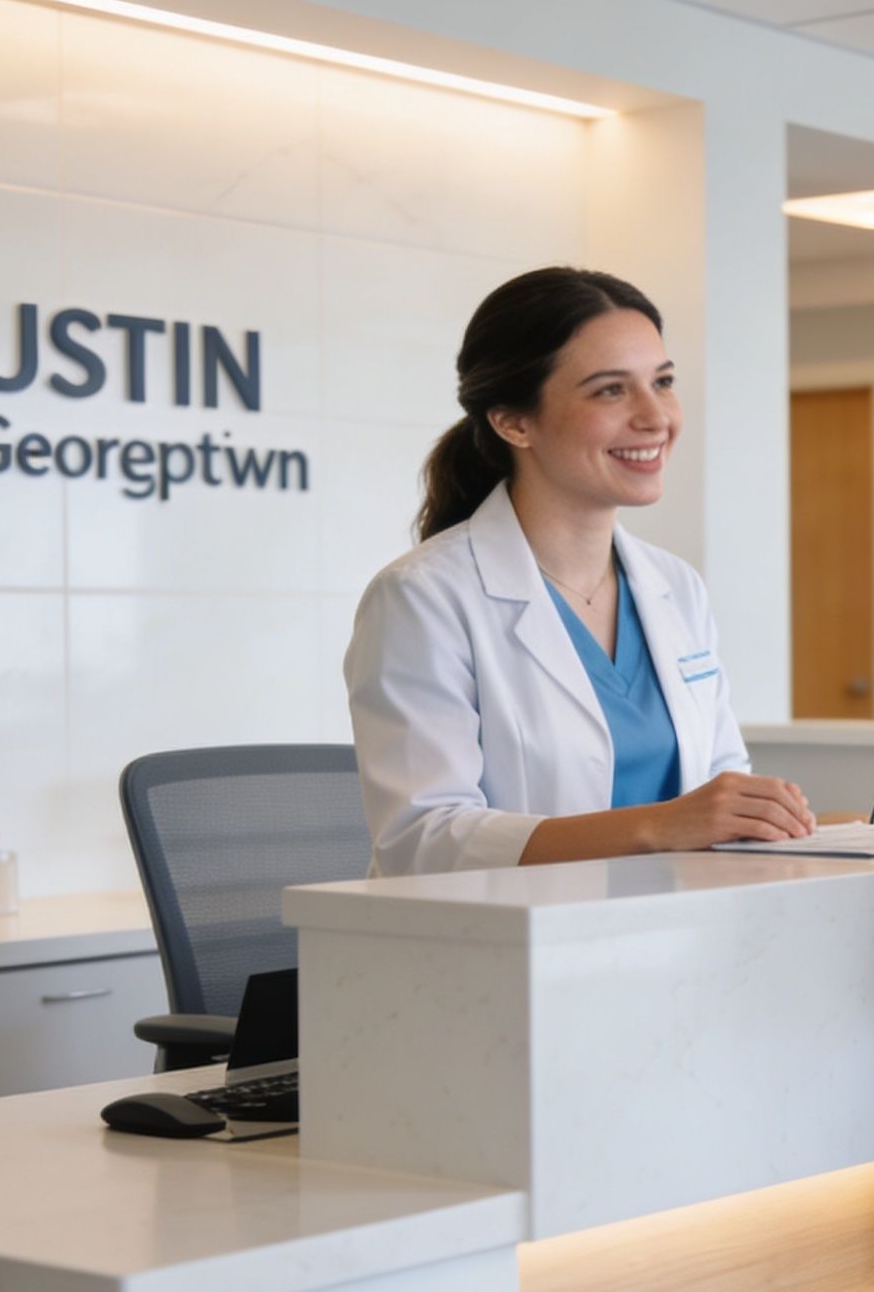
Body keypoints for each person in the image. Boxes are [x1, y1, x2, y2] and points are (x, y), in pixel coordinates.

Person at [347, 267, 815, 874]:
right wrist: (659, 827)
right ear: (514, 422)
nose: (656, 417)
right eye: (610, 390)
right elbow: (424, 839)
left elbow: (722, 793)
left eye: (662, 382)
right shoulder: (423, 598)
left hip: (677, 935)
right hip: (503, 950)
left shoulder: (675, 587)